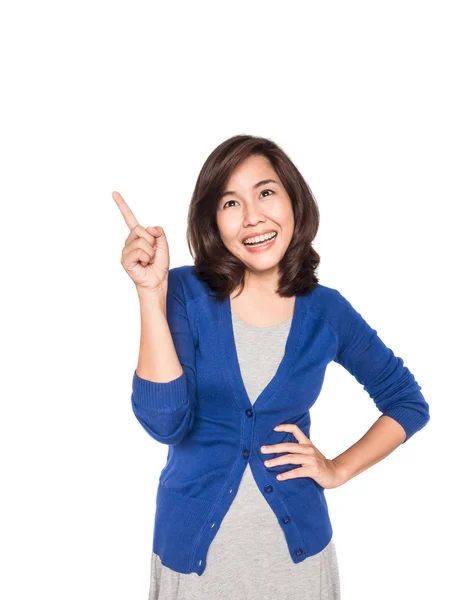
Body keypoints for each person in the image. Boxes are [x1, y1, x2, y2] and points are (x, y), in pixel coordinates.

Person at [112, 134, 430, 600]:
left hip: (296, 563)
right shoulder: (182, 292)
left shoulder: (327, 312)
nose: (253, 216)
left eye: (265, 192)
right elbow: (164, 423)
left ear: (293, 201)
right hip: (194, 565)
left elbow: (407, 402)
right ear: (213, 221)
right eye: (230, 202)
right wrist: (149, 293)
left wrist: (337, 470)